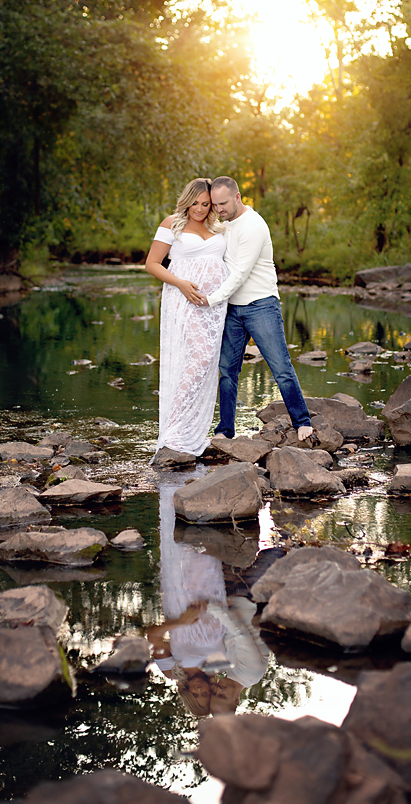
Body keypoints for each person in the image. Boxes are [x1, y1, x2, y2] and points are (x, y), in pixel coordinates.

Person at [199, 176, 313, 441]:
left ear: (238, 197)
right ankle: (225, 430)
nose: (219, 209)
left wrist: (210, 299)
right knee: (227, 371)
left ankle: (302, 421)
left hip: (261, 306)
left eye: (223, 203)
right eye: (215, 204)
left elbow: (239, 274)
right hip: (233, 310)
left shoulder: (253, 226)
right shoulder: (226, 224)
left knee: (281, 368)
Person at [145, 482, 269, 717]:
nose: (202, 691)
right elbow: (238, 633)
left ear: (187, 694)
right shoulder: (223, 667)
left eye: (197, 696)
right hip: (213, 596)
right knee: (206, 552)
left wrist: (181, 622)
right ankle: (204, 487)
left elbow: (152, 634)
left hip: (180, 602)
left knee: (176, 548)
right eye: (206, 695)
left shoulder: (172, 672)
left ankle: (173, 490)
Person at [144, 177, 228, 456]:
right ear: (186, 200)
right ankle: (173, 427)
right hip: (183, 300)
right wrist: (180, 283)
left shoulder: (218, 227)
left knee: (206, 360)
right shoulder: (172, 223)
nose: (200, 209)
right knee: (200, 356)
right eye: (195, 203)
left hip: (213, 307)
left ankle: (190, 427)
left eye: (205, 204)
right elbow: (152, 264)